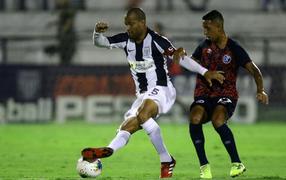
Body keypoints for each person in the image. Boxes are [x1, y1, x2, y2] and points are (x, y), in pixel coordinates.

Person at [81, 8, 220, 178]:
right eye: (126, 25)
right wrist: (97, 33)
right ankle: (110, 149)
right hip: (143, 95)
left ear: (142, 23)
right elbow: (101, 42)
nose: (128, 28)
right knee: (126, 127)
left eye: (131, 24)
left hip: (162, 89)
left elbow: (179, 58)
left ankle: (165, 159)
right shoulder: (125, 40)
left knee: (143, 113)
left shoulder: (157, 40)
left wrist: (205, 72)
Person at [174, 10, 269, 178]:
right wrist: (180, 56)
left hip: (226, 94)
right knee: (195, 117)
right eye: (203, 28)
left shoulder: (234, 48)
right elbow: (190, 64)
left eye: (208, 28)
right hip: (203, 94)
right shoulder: (203, 46)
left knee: (218, 120)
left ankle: (237, 163)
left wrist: (260, 89)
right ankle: (204, 166)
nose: (205, 32)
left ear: (218, 27)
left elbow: (254, 70)